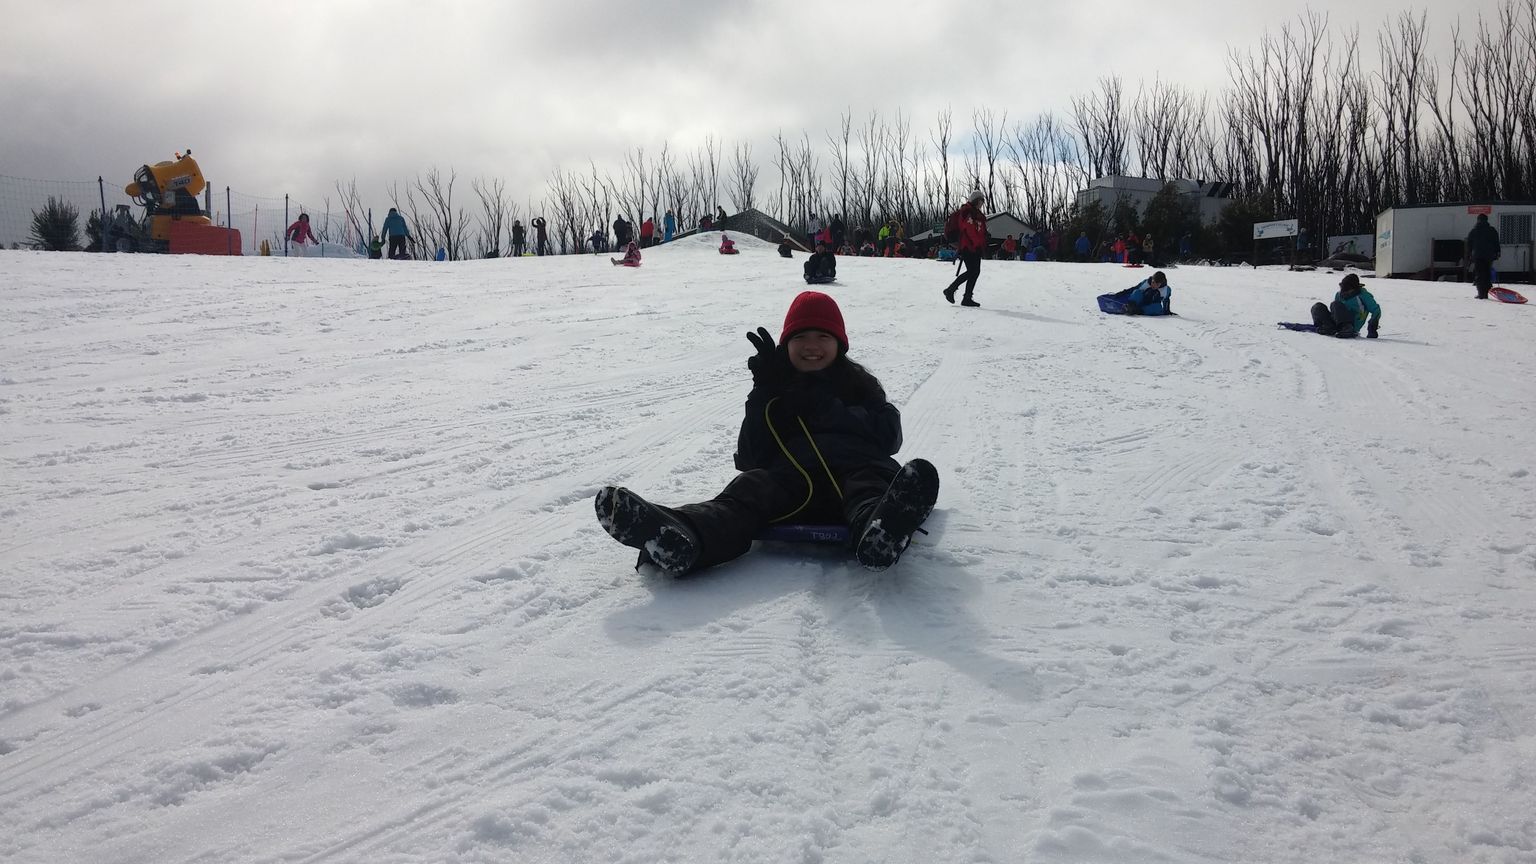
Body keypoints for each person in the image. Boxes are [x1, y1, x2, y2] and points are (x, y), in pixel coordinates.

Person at [594, 290, 940, 575]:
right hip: (794, 487)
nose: (811, 345)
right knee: (750, 488)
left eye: (823, 336)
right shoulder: (777, 390)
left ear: (840, 343)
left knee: (869, 482)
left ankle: (881, 528)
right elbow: (749, 457)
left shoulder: (859, 384)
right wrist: (763, 393)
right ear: (786, 344)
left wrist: (827, 408)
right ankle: (682, 534)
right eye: (800, 337)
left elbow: (889, 436)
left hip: (855, 475)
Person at [942, 189, 988, 307]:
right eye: (981, 200)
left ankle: (966, 297)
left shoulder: (976, 213)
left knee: (975, 272)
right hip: (968, 246)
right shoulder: (968, 212)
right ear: (976, 200)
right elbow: (968, 229)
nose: (982, 203)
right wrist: (977, 242)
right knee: (973, 271)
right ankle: (951, 290)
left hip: (974, 246)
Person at [1309, 273, 1381, 338]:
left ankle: (1347, 328)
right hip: (1338, 322)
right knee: (1318, 307)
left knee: (1335, 304)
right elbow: (1336, 312)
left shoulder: (1363, 295)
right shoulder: (1339, 294)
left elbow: (1376, 310)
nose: (1345, 291)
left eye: (1347, 289)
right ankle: (1327, 326)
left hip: (1353, 324)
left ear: (1354, 288)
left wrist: (1372, 327)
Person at [1466, 213, 1502, 299]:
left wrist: (1469, 254)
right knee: (1487, 273)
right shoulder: (1492, 230)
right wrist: (1497, 252)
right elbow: (1496, 242)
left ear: (1478, 220)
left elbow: (1469, 244)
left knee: (1479, 274)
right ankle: (1486, 291)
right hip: (1489, 255)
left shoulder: (1474, 230)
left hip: (1478, 255)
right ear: (1487, 220)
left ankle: (1481, 293)